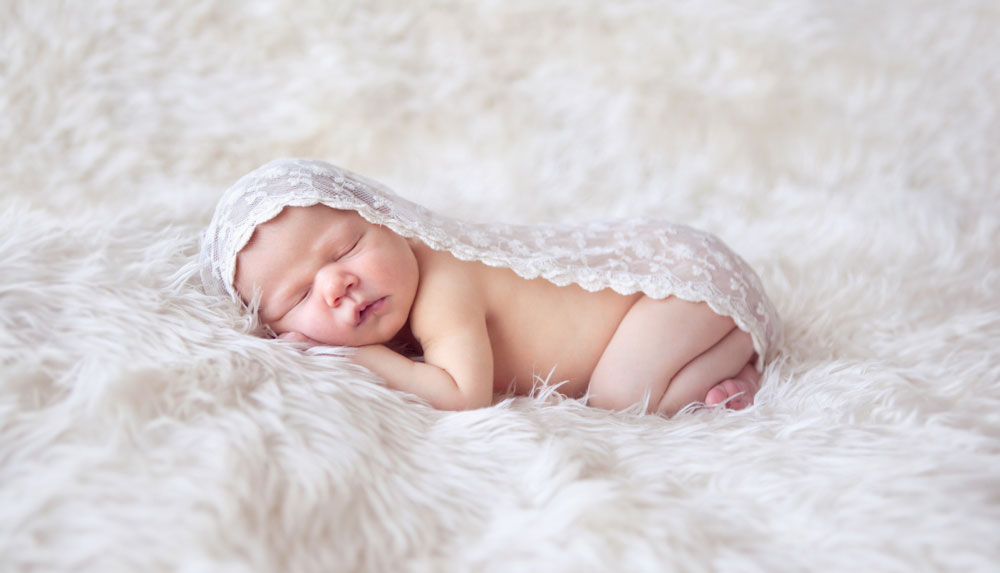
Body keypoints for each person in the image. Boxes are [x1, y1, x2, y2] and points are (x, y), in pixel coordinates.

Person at [199, 159, 782, 415]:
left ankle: (738, 348)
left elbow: (462, 394)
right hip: (667, 275)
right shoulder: (403, 285)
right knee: (623, 385)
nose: (338, 284)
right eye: (299, 298)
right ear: (274, 328)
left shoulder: (442, 285)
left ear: (388, 219)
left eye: (347, 247)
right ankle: (724, 340)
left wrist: (365, 359)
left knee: (617, 398)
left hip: (675, 286)